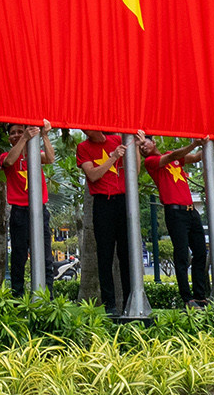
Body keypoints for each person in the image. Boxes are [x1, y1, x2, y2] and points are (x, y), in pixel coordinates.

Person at [143, 138, 210, 305]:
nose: (142, 148)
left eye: (144, 143)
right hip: (175, 213)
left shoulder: (173, 158)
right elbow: (173, 156)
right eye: (139, 147)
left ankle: (200, 296)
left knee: (201, 252)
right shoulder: (151, 162)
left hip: (191, 211)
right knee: (181, 255)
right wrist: (194, 144)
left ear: (155, 142)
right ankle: (187, 298)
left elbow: (195, 158)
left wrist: (213, 145)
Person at [75, 129, 129, 312]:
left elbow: (134, 170)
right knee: (105, 255)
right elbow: (92, 175)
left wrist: (135, 147)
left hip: (123, 201)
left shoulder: (118, 139)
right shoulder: (83, 147)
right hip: (102, 203)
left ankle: (130, 300)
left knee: (126, 254)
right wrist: (113, 157)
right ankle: (110, 305)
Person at [0, 123, 55, 295]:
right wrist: (24, 138)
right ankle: (18, 296)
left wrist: (44, 135)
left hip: (39, 210)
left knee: (45, 255)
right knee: (19, 256)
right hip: (19, 212)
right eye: (13, 133)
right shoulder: (5, 156)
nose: (16, 135)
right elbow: (9, 162)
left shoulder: (35, 155)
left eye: (20, 132)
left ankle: (47, 295)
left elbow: (51, 158)